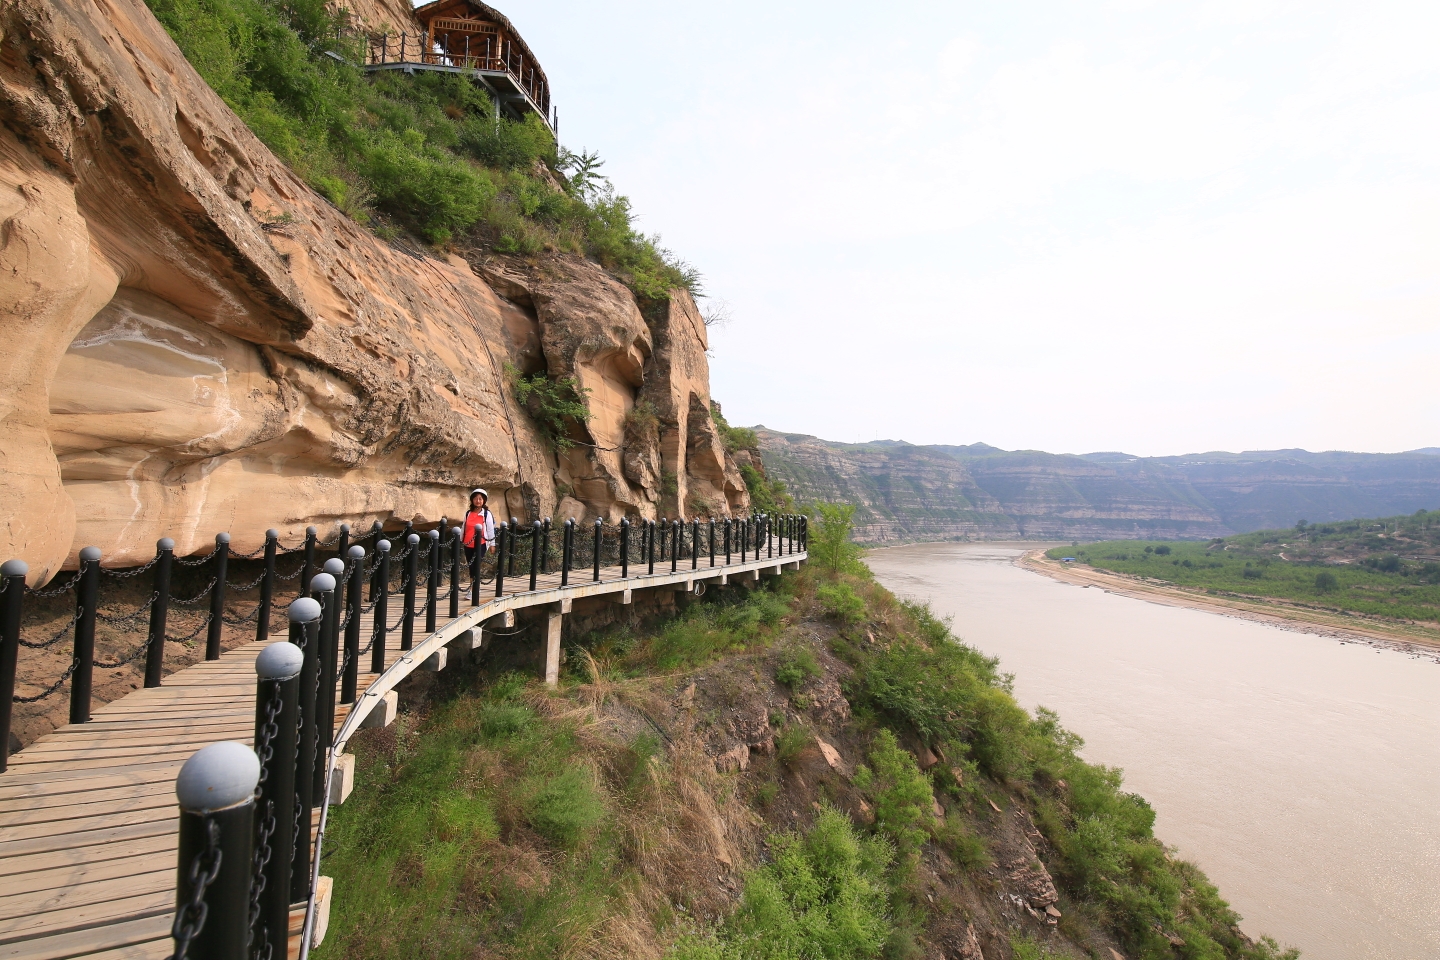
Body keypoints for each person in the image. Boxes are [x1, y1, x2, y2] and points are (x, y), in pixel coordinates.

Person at [462, 488, 495, 580]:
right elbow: (464, 527)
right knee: (470, 566)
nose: (478, 501)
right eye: (476, 498)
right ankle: (473, 588)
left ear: (484, 500)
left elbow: (490, 530)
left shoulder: (487, 514)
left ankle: (474, 589)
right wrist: (461, 539)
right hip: (468, 543)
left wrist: (492, 544)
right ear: (472, 500)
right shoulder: (468, 513)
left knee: (475, 566)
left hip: (481, 544)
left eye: (480, 499)